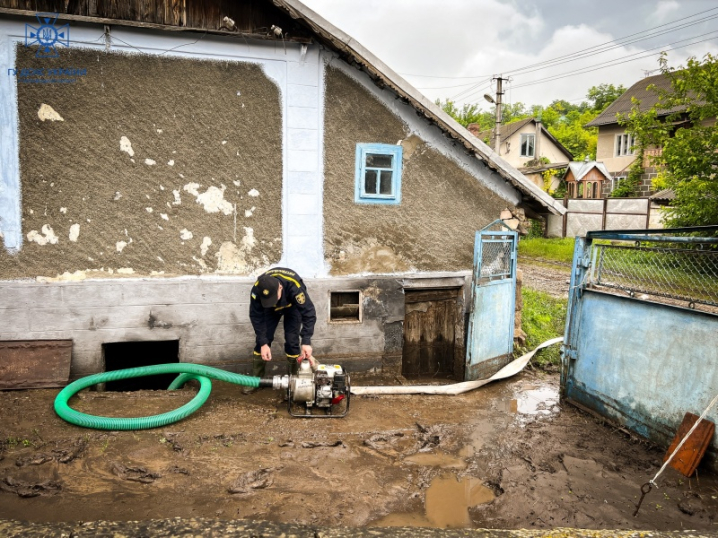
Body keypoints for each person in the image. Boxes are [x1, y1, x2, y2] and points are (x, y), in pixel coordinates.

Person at [245, 267, 317, 393]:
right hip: (269, 311)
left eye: (274, 298)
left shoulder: (295, 287)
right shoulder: (257, 290)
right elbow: (256, 316)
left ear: (280, 287)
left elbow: (309, 313)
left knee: (292, 341)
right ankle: (257, 380)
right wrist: (263, 343)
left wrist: (306, 341)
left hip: (292, 307)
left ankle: (293, 384)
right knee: (262, 339)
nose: (273, 301)